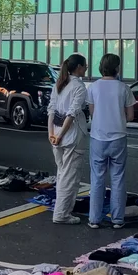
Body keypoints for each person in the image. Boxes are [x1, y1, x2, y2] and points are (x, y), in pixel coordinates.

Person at [86, 53, 136, 229]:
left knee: (97, 179)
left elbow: (92, 113)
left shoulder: (93, 87)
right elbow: (131, 116)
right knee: (118, 178)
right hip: (118, 137)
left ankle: (94, 219)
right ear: (117, 68)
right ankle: (117, 219)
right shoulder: (124, 88)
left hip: (98, 137)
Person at [47, 53, 89, 225]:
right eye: (85, 65)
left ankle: (60, 210)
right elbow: (72, 113)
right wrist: (61, 134)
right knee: (69, 177)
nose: (86, 68)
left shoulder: (59, 84)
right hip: (72, 136)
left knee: (61, 173)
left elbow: (51, 110)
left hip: (56, 134)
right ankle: (62, 214)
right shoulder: (79, 87)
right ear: (78, 67)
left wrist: (52, 134)